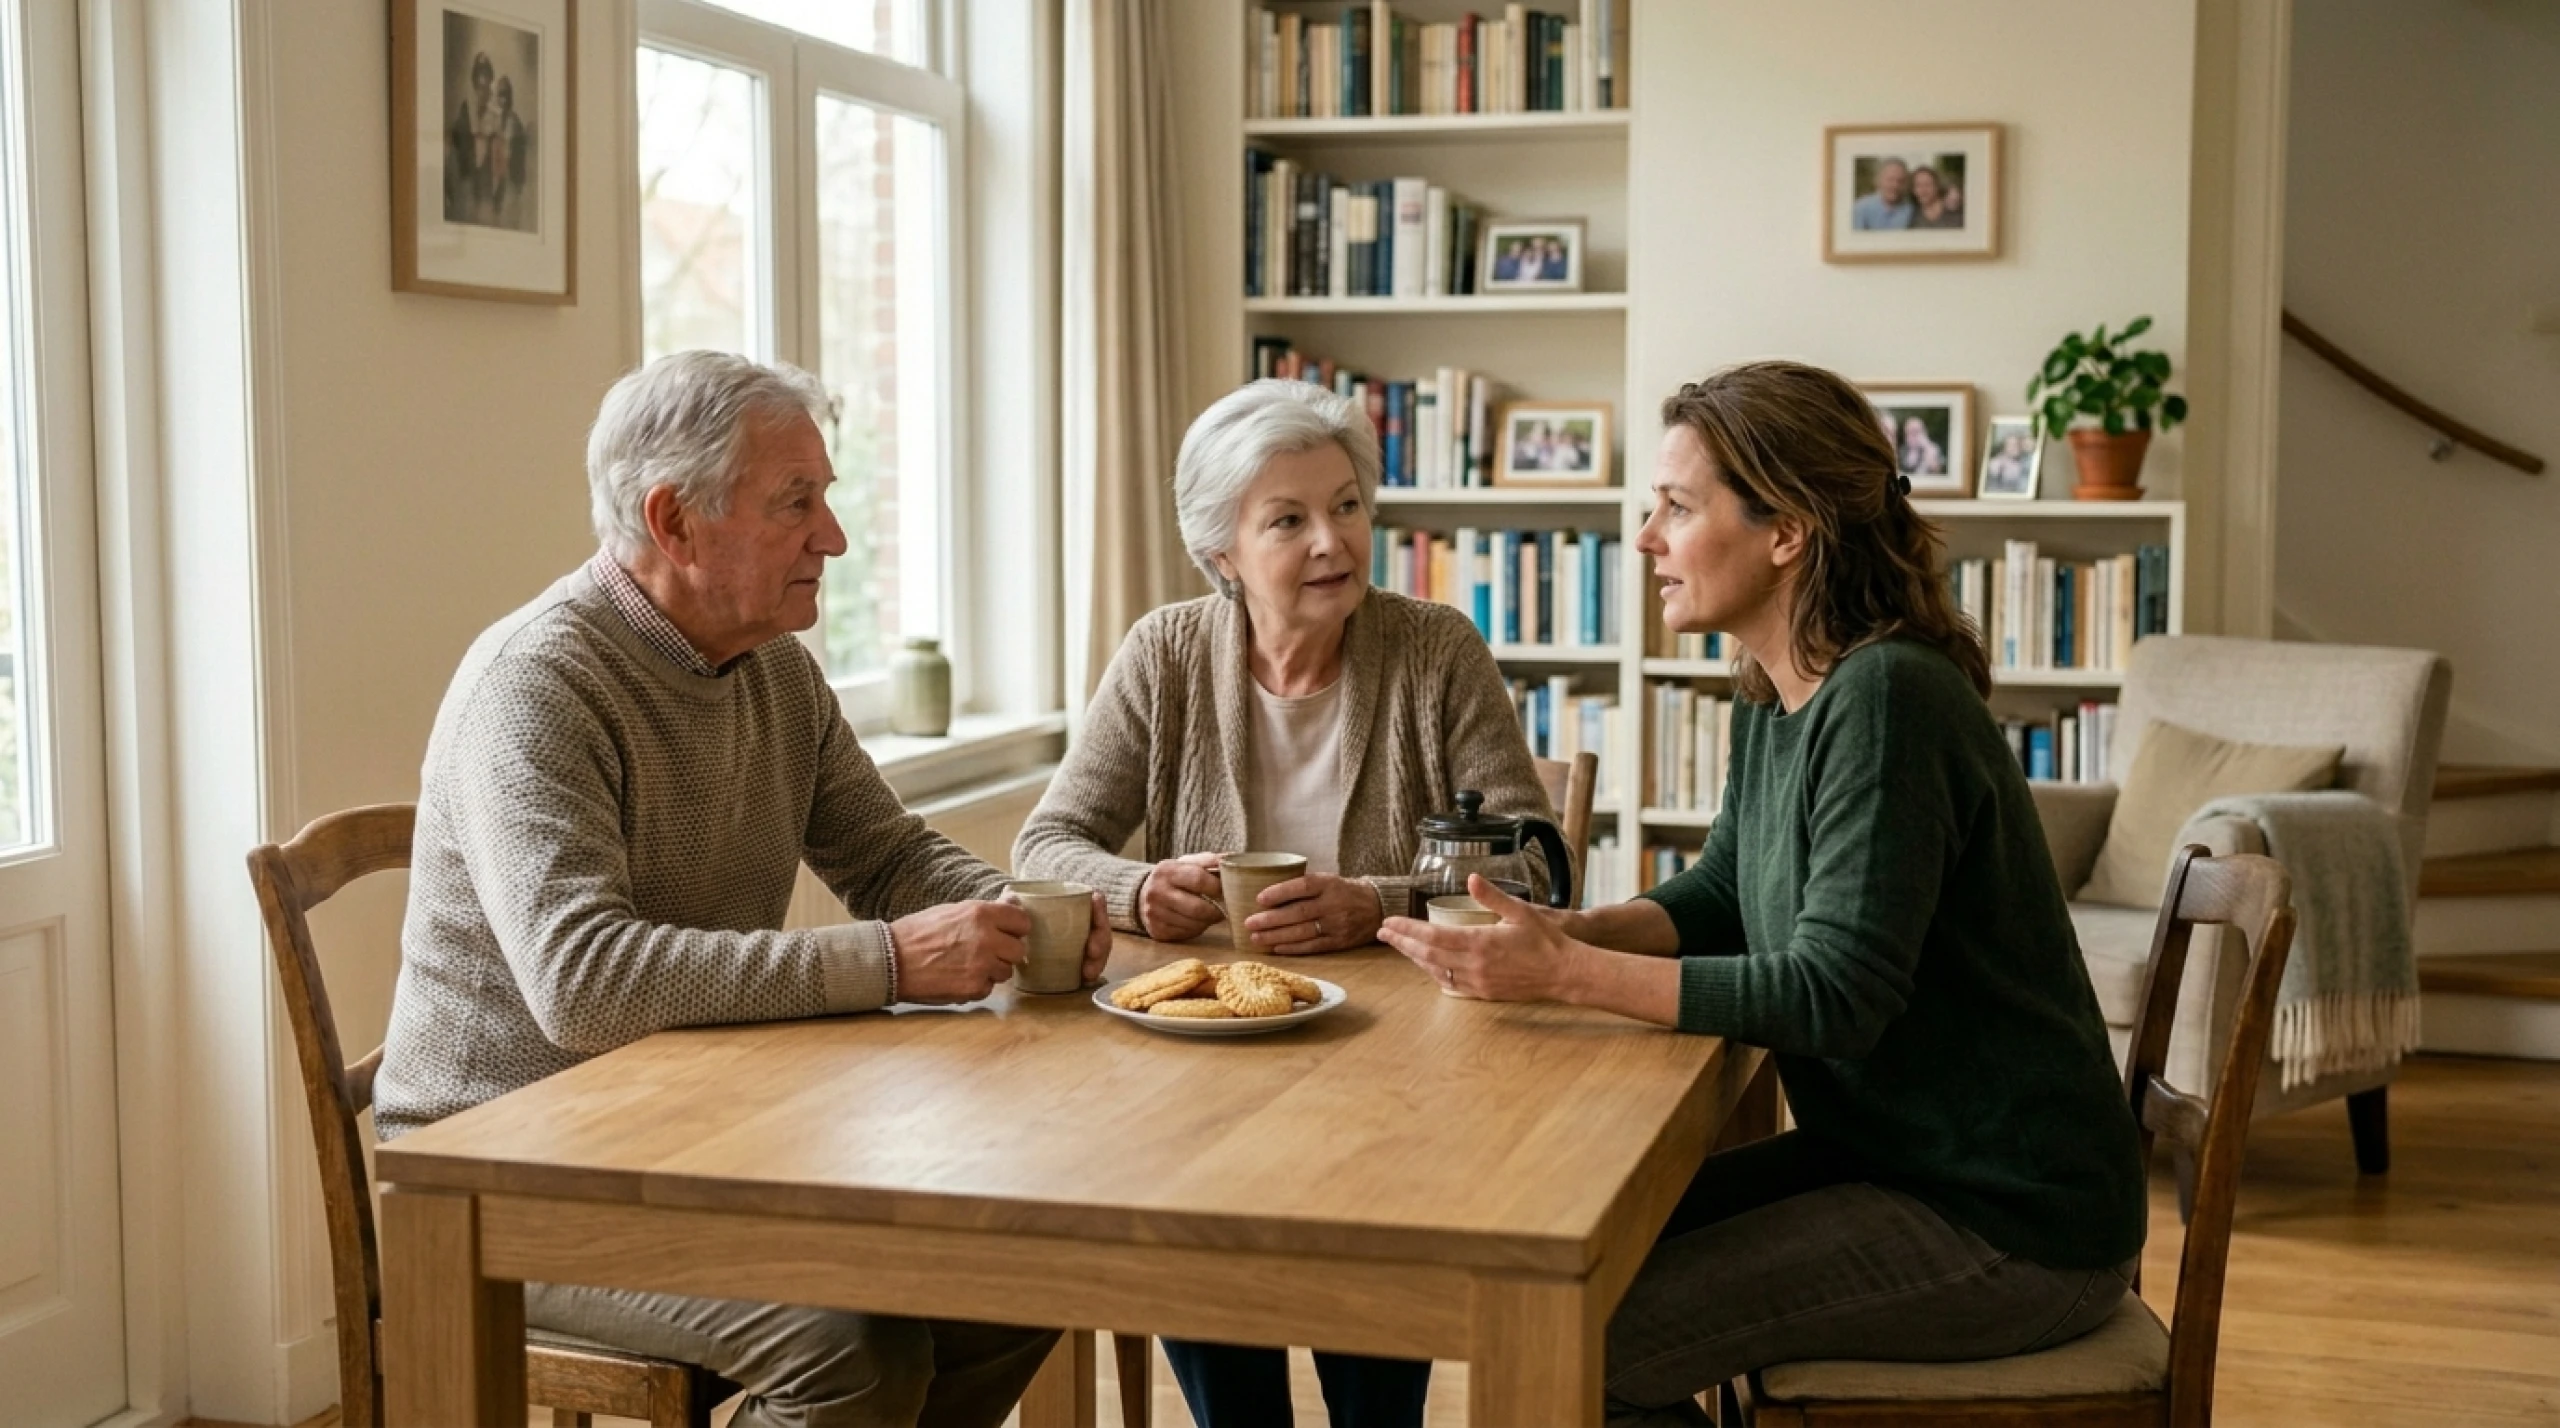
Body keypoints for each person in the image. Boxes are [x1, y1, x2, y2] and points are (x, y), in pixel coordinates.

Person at [1378, 361, 2146, 1427]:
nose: (1644, 538)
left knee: (1579, 1337)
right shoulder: (1778, 694)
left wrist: (1568, 972)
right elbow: (1729, 889)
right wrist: (1575, 928)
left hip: (2005, 1221)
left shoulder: (1886, 697)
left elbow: (1836, 996)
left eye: (1677, 508)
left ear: (1786, 530)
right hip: (1897, 1163)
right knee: (1574, 1262)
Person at [377, 351, 1112, 1428]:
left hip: (691, 1132)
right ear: (674, 519)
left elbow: (887, 853)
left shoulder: (771, 664)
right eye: (796, 504)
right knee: (850, 1354)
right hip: (505, 1168)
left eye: (827, 499)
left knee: (1016, 1282)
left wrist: (1021, 916)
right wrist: (897, 961)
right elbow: (581, 982)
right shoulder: (535, 685)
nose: (834, 539)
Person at [1014, 377, 1556, 1428]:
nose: (1331, 542)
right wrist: (1140, 887)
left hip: (1404, 1077)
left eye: (1346, 506)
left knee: (1372, 1391)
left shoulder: (1435, 649)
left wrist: (1375, 905)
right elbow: (1044, 843)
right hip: (1206, 1075)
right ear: (1222, 552)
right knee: (1197, 1240)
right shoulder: (1165, 654)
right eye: (1288, 520)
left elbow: (1533, 869)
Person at [1850, 157, 1915, 230]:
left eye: (1900, 181)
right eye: (1890, 180)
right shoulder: (1860, 209)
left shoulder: (1911, 211)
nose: (1895, 185)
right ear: (1878, 181)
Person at [1910, 164, 1964, 229]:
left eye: (1928, 184)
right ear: (1913, 190)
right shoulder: (1912, 217)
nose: (1923, 190)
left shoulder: (1956, 212)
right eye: (1918, 185)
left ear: (1937, 187)